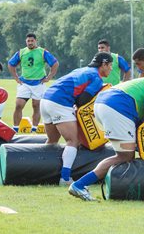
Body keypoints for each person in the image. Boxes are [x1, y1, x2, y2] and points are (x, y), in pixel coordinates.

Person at [68, 77, 144, 201]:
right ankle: (79, 185)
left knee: (134, 149)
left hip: (105, 104)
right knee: (124, 156)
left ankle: (81, 185)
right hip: (118, 108)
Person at [40, 52, 113, 185]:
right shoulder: (96, 78)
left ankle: (43, 173)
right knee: (72, 141)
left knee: (52, 141)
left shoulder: (82, 70)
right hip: (59, 102)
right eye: (110, 65)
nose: (111, 68)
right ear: (104, 64)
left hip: (45, 100)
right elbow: (82, 100)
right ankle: (65, 178)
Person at [8, 33, 59, 132]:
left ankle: (34, 129)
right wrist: (16, 77)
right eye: (28, 41)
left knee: (36, 106)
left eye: (32, 41)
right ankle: (15, 129)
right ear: (26, 42)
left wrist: (49, 77)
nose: (30, 43)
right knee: (19, 105)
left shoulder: (43, 52)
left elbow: (55, 63)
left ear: (35, 41)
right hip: (24, 83)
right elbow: (11, 64)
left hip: (38, 83)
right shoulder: (21, 52)